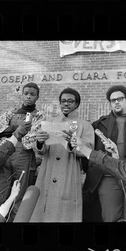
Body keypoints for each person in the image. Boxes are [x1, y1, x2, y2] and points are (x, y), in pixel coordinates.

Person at [82, 85, 126, 222]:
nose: (116, 102)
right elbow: (87, 149)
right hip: (108, 176)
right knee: (110, 217)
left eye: (120, 99)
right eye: (113, 100)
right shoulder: (98, 125)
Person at [29, 87, 95, 222]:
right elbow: (41, 151)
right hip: (48, 170)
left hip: (69, 172)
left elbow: (88, 150)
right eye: (63, 101)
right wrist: (40, 142)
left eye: (70, 101)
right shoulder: (50, 122)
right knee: (42, 210)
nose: (66, 104)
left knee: (65, 212)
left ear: (76, 104)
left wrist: (72, 143)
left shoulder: (85, 125)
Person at [0, 82, 45, 222]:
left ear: (37, 97)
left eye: (32, 94)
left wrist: (10, 131)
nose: (28, 97)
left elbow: (33, 137)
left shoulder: (40, 115)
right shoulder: (10, 113)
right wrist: (18, 129)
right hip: (5, 156)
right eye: (26, 93)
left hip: (24, 157)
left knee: (20, 196)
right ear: (22, 95)